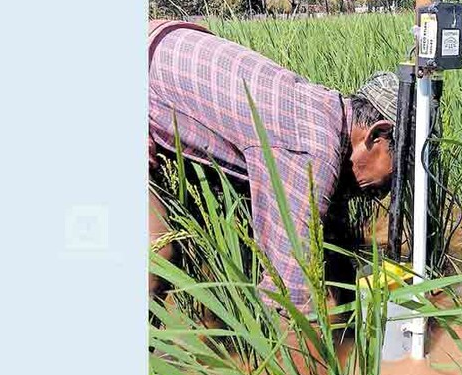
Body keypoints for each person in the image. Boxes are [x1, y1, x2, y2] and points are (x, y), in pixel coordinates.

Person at [147, 19, 401, 312]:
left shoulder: (322, 109)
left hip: (161, 53)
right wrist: (330, 354)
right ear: (377, 136)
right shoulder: (309, 149)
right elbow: (288, 294)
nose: (384, 190)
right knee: (156, 257)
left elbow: (327, 235)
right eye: (395, 172)